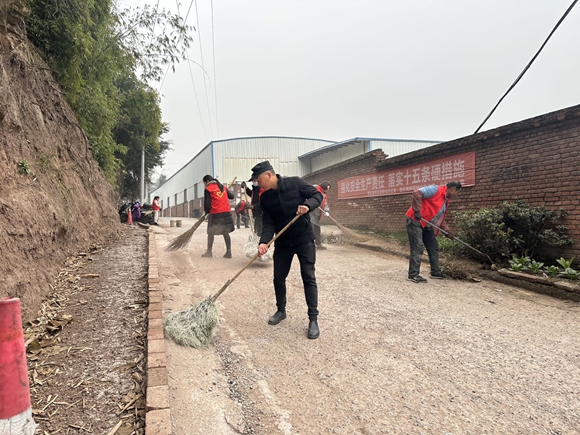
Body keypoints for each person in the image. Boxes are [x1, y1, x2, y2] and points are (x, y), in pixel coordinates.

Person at [250, 160, 323, 340]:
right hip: (283, 242)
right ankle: (281, 310)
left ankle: (313, 319)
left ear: (268, 175)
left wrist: (308, 206)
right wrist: (264, 242)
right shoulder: (265, 197)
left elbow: (317, 195)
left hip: (304, 238)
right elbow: (269, 223)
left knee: (308, 276)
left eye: (259, 180)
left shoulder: (295, 183)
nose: (258, 184)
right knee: (278, 277)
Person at [405, 181, 462, 283]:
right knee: (418, 247)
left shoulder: (445, 201)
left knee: (433, 247)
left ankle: (435, 272)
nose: (456, 195)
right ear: (453, 189)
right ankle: (413, 274)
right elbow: (416, 193)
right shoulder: (435, 189)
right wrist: (417, 211)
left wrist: (447, 231)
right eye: (457, 193)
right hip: (415, 220)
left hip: (427, 224)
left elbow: (439, 218)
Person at [201, 175, 235, 258]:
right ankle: (229, 252)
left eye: (204, 183)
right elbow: (232, 196)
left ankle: (209, 252)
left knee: (210, 233)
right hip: (226, 213)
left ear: (207, 181)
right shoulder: (223, 187)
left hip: (216, 213)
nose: (205, 184)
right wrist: (225, 191)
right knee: (225, 232)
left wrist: (207, 212)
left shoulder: (208, 189)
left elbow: (207, 204)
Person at [310, 181, 331, 250]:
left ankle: (318, 244)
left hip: (318, 214)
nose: (326, 191)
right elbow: (308, 196)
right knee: (311, 229)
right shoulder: (314, 188)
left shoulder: (324, 194)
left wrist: (326, 211)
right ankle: (311, 245)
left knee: (317, 229)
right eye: (326, 189)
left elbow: (325, 203)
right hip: (311, 212)